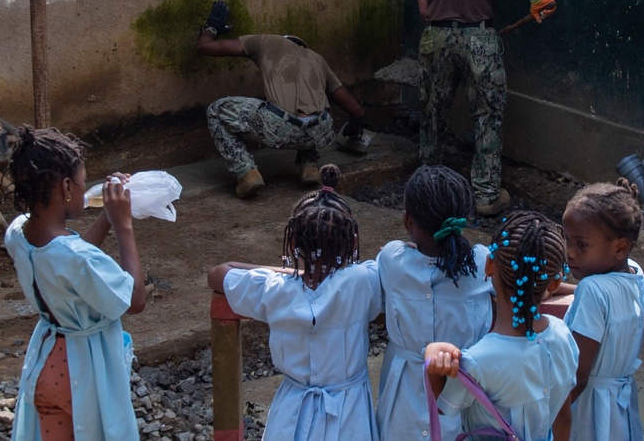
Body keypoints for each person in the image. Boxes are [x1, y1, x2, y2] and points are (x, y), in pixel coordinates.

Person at [413, 0, 557, 217]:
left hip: (436, 36)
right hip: (478, 37)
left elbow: (423, 11)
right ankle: (486, 195)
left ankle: (427, 187)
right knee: (487, 115)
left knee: (433, 113)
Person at [208, 164, 383, 441]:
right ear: (352, 243)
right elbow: (394, 261)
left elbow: (219, 273)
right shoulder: (363, 281)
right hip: (350, 414)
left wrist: (293, 272)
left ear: (291, 246)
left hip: (292, 411)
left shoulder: (273, 289)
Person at [4, 126, 147, 441]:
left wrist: (107, 217)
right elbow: (135, 300)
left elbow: (71, 260)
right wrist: (124, 227)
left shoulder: (17, 234)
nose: (86, 192)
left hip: (46, 363)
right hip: (82, 371)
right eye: (83, 184)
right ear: (66, 187)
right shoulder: (75, 258)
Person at [424, 210, 577, 441]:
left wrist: (432, 359)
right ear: (555, 283)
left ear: (489, 265)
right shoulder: (564, 335)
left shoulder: (477, 362)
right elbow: (564, 417)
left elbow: (443, 407)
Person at [197, 0, 369, 198]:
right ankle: (310, 168)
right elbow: (358, 112)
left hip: (279, 126)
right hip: (321, 130)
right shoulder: (317, 59)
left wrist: (213, 27)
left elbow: (204, 47)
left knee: (216, 111)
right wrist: (353, 134)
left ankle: (246, 173)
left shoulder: (266, 41)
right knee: (312, 111)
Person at [375, 165, 494, 441]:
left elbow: (393, 254)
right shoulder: (482, 263)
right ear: (464, 218)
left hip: (402, 406)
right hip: (463, 393)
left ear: (407, 221)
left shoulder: (393, 261)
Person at [557, 180, 644, 441]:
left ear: (620, 247)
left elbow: (578, 376)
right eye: (567, 240)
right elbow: (608, 298)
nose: (569, 253)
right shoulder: (635, 273)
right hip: (619, 407)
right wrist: (559, 288)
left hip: (587, 411)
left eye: (581, 245)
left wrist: (549, 417)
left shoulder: (593, 292)